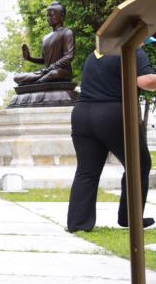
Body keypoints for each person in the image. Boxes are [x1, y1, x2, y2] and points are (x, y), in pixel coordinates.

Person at [67, 43, 156, 232]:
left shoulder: (96, 53)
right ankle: (129, 218)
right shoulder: (132, 50)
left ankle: (78, 223)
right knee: (139, 165)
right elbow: (146, 81)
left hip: (82, 114)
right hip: (112, 114)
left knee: (87, 170)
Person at [14, 2, 75, 85]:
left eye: (51, 15)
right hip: (46, 72)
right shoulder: (45, 38)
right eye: (47, 15)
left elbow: (69, 56)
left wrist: (52, 67)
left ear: (62, 16)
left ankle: (36, 82)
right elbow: (44, 60)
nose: (48, 18)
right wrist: (29, 58)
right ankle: (39, 82)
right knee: (17, 77)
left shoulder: (67, 33)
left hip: (61, 72)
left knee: (54, 74)